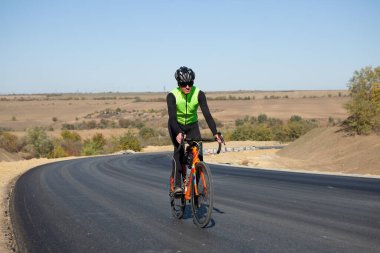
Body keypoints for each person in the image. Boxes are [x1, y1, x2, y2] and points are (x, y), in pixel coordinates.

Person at [167, 66, 222, 194]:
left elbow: (207, 115)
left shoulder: (199, 94)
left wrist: (215, 133)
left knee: (198, 155)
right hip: (176, 124)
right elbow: (172, 118)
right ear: (178, 84)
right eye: (183, 84)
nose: (187, 86)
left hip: (192, 125)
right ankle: (177, 185)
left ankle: (194, 189)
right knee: (179, 152)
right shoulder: (172, 96)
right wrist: (179, 133)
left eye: (190, 83)